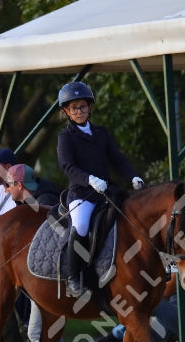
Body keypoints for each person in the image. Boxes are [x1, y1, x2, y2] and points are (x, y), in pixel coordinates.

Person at [56, 81, 144, 297]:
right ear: (67, 111)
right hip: (82, 194)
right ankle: (73, 277)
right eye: (74, 108)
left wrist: (133, 176)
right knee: (82, 225)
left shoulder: (101, 133)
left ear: (90, 108)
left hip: (106, 192)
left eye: (83, 106)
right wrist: (89, 180)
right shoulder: (65, 137)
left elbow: (117, 159)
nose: (79, 111)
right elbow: (67, 166)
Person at [2, 163, 69, 342]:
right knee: (35, 331)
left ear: (20, 185)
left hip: (52, 280)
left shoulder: (43, 203)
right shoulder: (33, 203)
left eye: (9, 185)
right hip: (41, 280)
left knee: (42, 331)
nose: (6, 189)